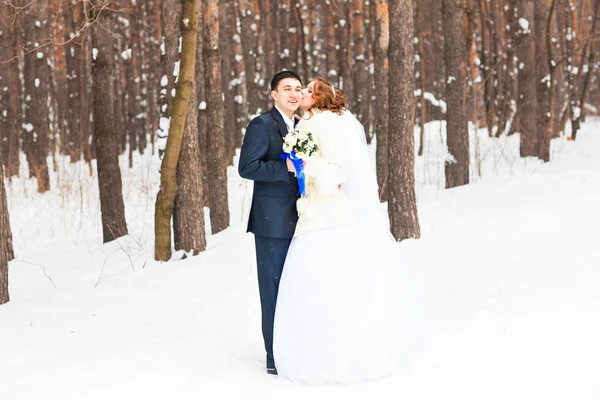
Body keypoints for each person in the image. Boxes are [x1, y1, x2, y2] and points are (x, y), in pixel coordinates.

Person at [272, 78, 421, 384]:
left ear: (320, 98)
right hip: (316, 212)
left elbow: (338, 170)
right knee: (319, 287)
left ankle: (331, 357)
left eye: (309, 91)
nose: (302, 94)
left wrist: (303, 166)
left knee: (321, 286)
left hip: (324, 213)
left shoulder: (322, 123)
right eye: (302, 90)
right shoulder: (314, 121)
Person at [238, 70, 303, 375]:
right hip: (272, 223)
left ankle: (297, 347)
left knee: (297, 288)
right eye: (287, 88)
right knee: (273, 289)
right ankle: (274, 356)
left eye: (298, 88)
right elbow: (247, 167)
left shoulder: (304, 125)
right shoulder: (261, 124)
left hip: (304, 220)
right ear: (274, 95)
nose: (293, 93)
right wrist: (284, 167)